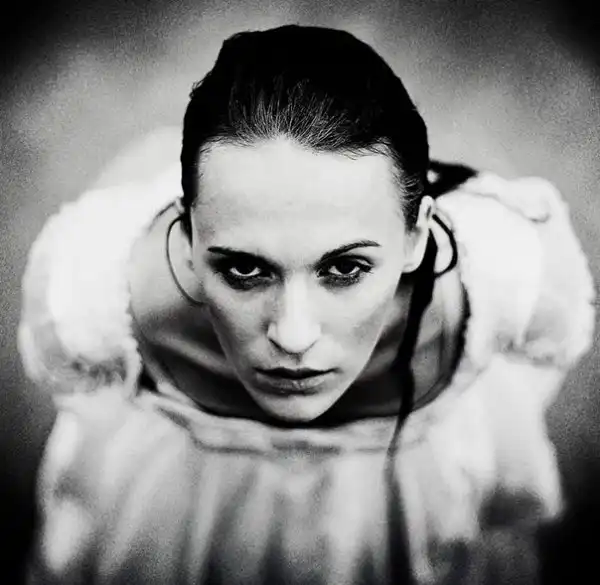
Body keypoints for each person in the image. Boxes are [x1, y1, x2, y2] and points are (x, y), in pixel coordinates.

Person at [17, 24, 594, 584]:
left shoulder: (512, 283)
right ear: (187, 244)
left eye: (345, 268)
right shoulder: (92, 303)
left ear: (417, 238)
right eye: (244, 269)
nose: (293, 336)